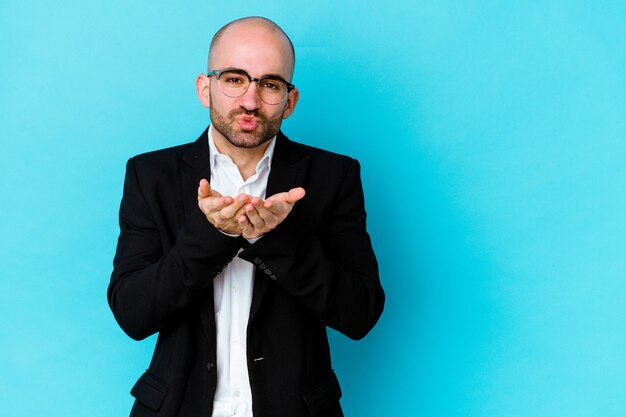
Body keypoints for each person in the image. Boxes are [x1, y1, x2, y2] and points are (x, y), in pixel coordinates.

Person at [108, 16, 384, 417]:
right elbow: (133, 314)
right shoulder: (151, 176)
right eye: (234, 79)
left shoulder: (333, 176)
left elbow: (360, 314)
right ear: (206, 88)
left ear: (290, 100)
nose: (251, 101)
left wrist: (277, 239)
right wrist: (211, 234)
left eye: (270, 84)